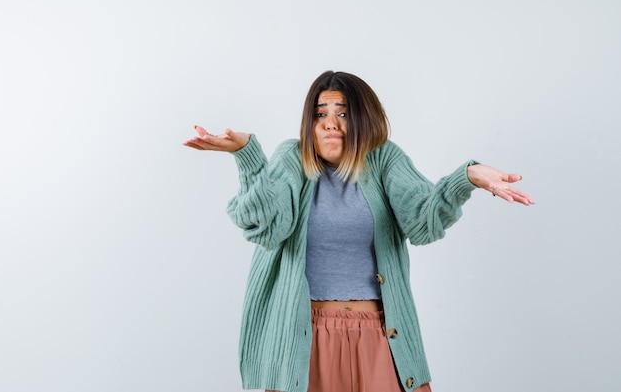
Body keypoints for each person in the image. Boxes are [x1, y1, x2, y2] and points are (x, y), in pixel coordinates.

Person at [183, 71, 534, 392]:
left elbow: (423, 222)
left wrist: (466, 178)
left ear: (364, 119)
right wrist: (248, 155)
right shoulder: (292, 158)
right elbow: (268, 227)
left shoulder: (384, 160)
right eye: (320, 114)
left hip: (381, 334)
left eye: (343, 113)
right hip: (304, 336)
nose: (330, 124)